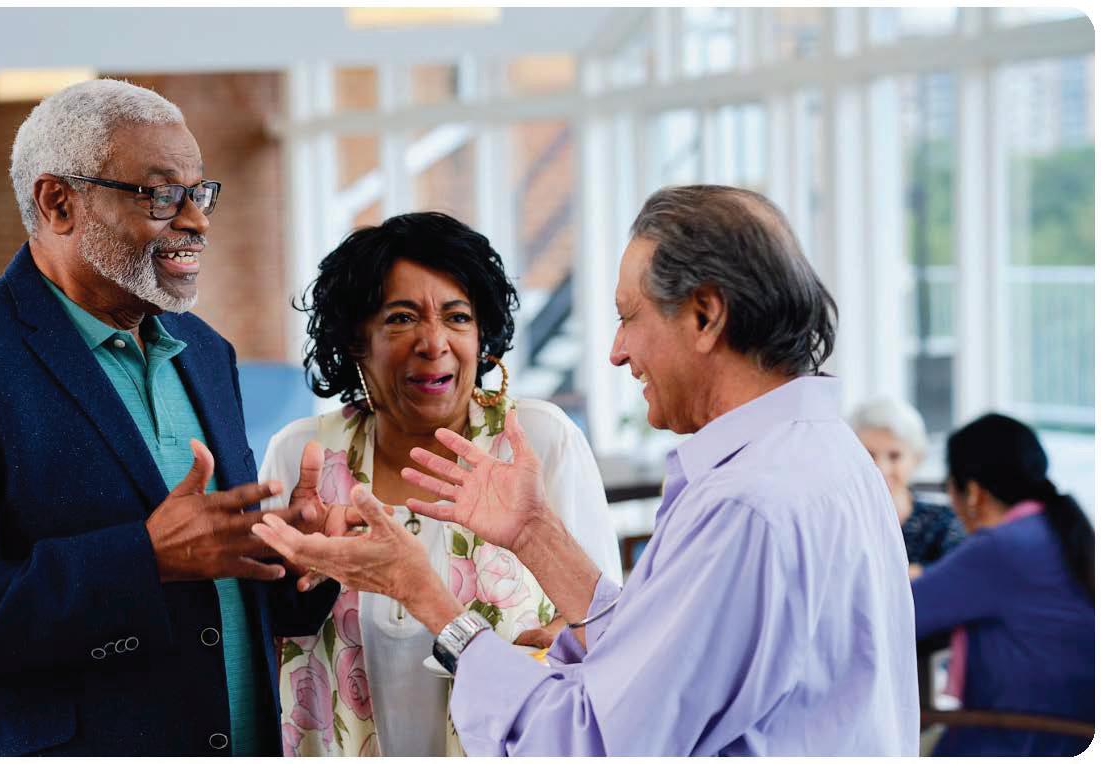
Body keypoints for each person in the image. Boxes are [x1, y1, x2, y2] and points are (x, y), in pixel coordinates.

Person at [254, 185, 921, 755]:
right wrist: (534, 534)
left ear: (705, 315)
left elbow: (591, 742)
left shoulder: (747, 506)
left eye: (629, 317)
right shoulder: (826, 456)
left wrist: (427, 597)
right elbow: (669, 665)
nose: (616, 352)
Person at [0, 79, 347, 756]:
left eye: (199, 192)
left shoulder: (206, 352)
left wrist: (297, 564)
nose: (197, 221)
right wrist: (143, 559)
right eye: (161, 194)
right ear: (58, 203)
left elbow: (220, 604)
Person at [257, 211, 622, 756]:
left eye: (457, 317)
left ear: (481, 336)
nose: (433, 343)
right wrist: (290, 584)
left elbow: (610, 632)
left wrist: (567, 645)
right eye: (401, 318)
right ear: (357, 340)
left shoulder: (538, 442)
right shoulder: (301, 455)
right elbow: (260, 640)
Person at [912, 413, 1094, 756]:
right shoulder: (1055, 531)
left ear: (973, 492)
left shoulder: (1002, 548)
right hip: (1064, 736)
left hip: (1017, 741)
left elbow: (899, 613)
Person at [850, 395, 965, 578]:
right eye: (869, 455)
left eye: (894, 456)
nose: (881, 468)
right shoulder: (841, 520)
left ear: (917, 458)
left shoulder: (944, 520)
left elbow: (956, 577)